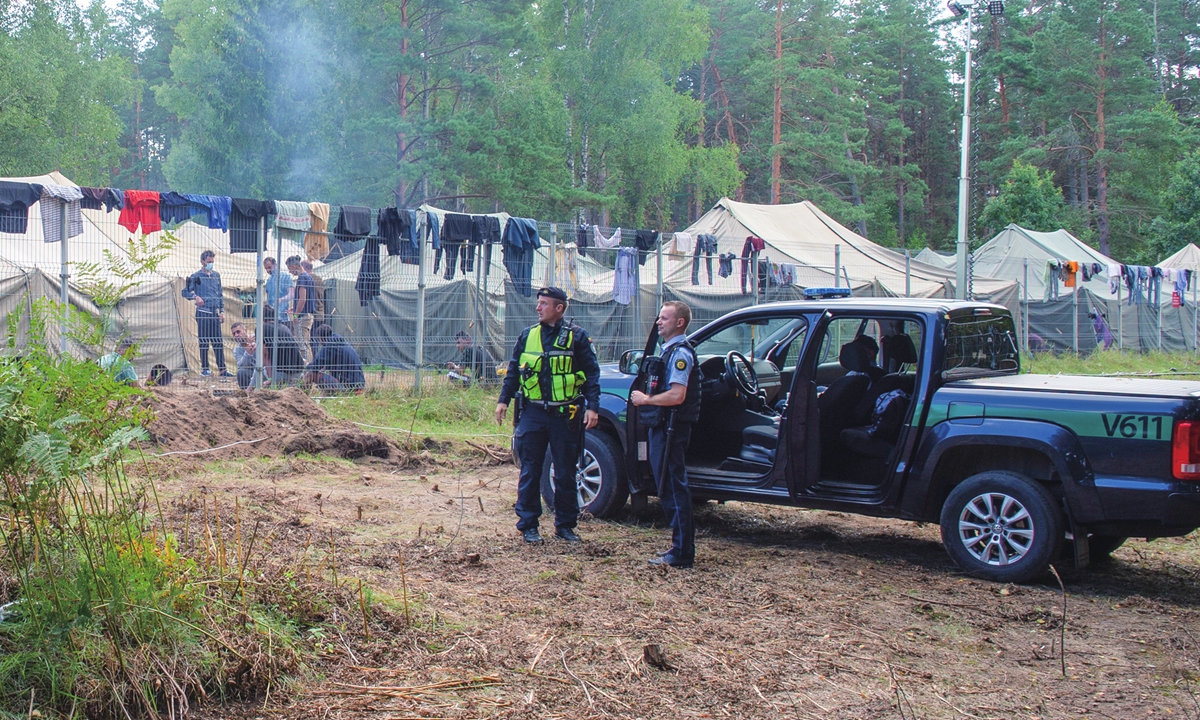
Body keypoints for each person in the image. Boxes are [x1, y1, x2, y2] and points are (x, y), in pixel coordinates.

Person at [495, 287, 600, 544]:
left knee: (565, 471)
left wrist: (593, 406)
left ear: (559, 308)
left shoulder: (577, 338)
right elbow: (514, 371)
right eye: (538, 303)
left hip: (565, 415)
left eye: (543, 304)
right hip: (533, 413)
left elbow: (592, 374)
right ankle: (528, 525)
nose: (538, 308)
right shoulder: (527, 336)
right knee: (530, 470)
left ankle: (565, 526)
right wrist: (503, 401)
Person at [630, 301, 701, 568]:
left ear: (679, 323)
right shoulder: (668, 352)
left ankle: (682, 552)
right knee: (669, 487)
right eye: (659, 317)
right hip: (663, 426)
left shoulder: (680, 354)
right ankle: (679, 547)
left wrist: (646, 400)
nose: (658, 322)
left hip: (671, 427)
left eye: (664, 318)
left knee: (673, 488)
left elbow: (677, 394)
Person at [181, 250, 232, 377]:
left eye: (212, 262)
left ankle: (222, 369)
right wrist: (195, 296)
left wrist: (221, 311)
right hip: (203, 313)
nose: (211, 264)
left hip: (214, 314)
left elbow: (220, 295)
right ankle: (205, 369)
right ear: (202, 261)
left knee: (218, 342)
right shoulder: (196, 276)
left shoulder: (216, 275)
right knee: (204, 342)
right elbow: (185, 292)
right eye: (209, 262)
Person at [304, 324, 365, 391]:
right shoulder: (338, 342)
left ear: (321, 338)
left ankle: (303, 396)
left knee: (311, 374)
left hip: (349, 387)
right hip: (358, 385)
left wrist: (306, 367)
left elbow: (317, 364)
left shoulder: (330, 345)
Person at [259, 307, 307, 385]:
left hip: (280, 374)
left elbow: (265, 356)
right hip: (298, 371)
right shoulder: (285, 328)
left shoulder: (261, 329)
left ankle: (250, 389)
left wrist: (270, 379)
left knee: (259, 369)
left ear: (262, 318)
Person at [287, 255, 316, 363]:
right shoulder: (309, 277)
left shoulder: (302, 278)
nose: (290, 272)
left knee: (302, 344)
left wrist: (296, 314)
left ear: (294, 266)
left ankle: (307, 369)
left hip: (303, 317)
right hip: (307, 314)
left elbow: (302, 299)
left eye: (290, 269)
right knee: (305, 343)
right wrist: (294, 308)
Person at [231, 322, 269, 390]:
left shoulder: (257, 338)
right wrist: (248, 353)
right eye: (234, 334)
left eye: (238, 332)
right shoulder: (237, 350)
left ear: (245, 331)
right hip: (251, 373)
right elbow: (240, 365)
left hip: (265, 371)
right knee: (241, 372)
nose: (236, 335)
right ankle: (247, 395)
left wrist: (257, 344)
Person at [302, 259, 326, 328]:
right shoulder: (320, 279)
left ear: (304, 268)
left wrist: (295, 315)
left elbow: (303, 299)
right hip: (320, 314)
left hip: (309, 316)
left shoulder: (305, 279)